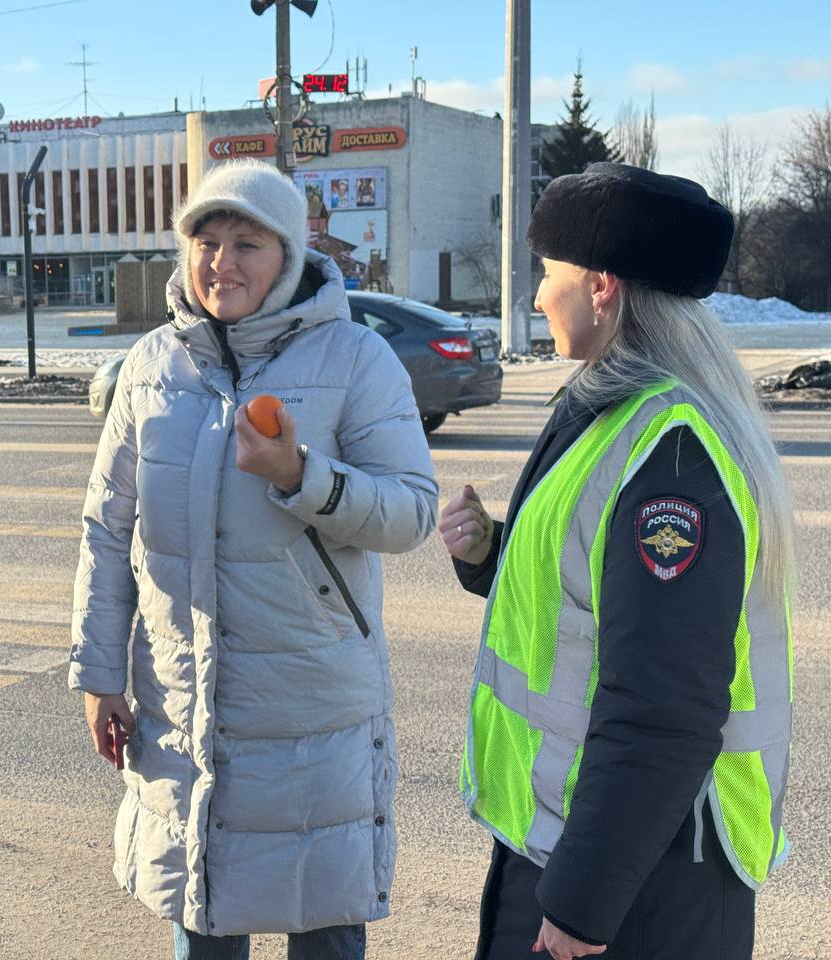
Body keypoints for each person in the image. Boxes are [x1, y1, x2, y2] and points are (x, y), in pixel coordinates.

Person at [69, 158, 438, 959]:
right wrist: (98, 677)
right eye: (206, 241)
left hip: (313, 714)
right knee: (202, 925)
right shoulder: (152, 366)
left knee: (325, 929)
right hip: (184, 709)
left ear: (289, 256)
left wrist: (302, 477)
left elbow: (412, 511)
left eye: (247, 244)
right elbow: (108, 531)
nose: (221, 263)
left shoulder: (354, 359)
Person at [441, 163, 795, 960]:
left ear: (601, 286)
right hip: (591, 848)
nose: (537, 296)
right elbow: (589, 594)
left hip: (637, 885)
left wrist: (582, 905)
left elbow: (663, 705)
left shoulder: (672, 458)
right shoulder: (618, 409)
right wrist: (491, 552)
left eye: (547, 271)